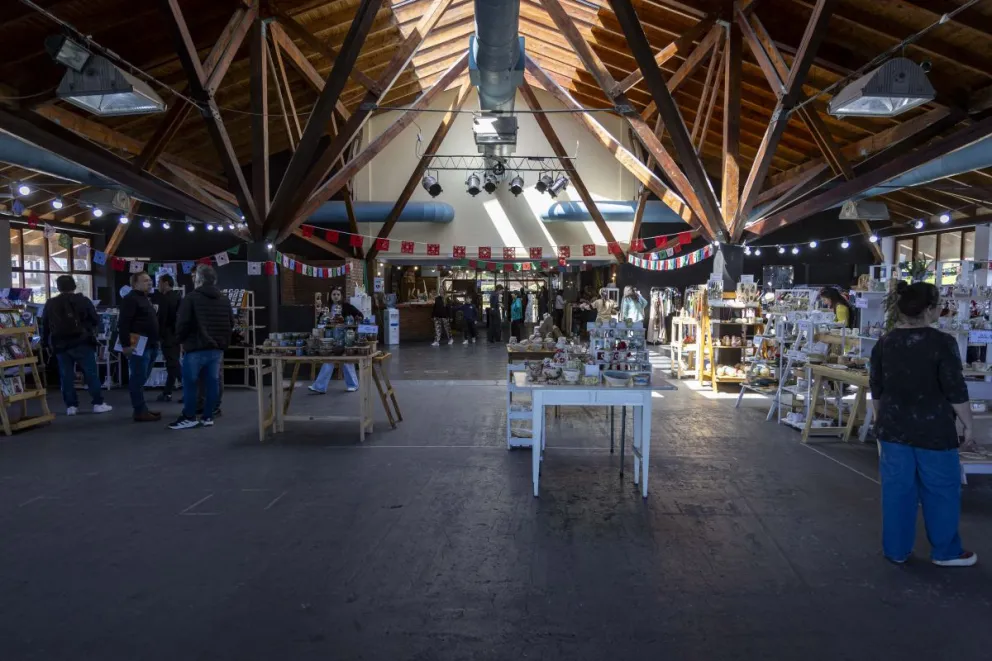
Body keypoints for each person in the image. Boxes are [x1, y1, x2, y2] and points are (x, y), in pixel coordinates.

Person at [870, 281, 978, 567]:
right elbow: (955, 389)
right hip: (935, 430)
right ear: (930, 309)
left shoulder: (885, 342)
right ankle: (946, 552)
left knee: (896, 492)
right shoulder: (942, 342)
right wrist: (968, 425)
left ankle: (896, 550)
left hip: (893, 428)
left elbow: (876, 388)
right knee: (941, 491)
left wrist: (881, 420)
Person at [168, 264, 233, 430]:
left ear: (198, 280)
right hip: (217, 348)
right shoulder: (224, 299)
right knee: (212, 383)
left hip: (195, 347)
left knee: (190, 384)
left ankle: (189, 416)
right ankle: (208, 416)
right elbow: (230, 323)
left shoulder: (191, 298)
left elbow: (183, 323)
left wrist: (179, 341)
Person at [42, 275, 112, 416]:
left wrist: (45, 343)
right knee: (91, 373)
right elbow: (95, 319)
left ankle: (71, 406)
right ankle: (98, 403)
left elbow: (45, 325)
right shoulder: (83, 300)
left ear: (58, 287)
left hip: (61, 345)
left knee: (66, 376)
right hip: (82, 342)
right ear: (74, 286)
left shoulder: (50, 303)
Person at [118, 271, 161, 422]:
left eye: (149, 280)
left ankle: (142, 408)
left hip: (151, 344)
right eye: (145, 281)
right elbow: (123, 323)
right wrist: (125, 345)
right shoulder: (130, 299)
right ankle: (139, 411)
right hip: (139, 345)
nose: (149, 283)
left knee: (142, 378)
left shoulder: (145, 298)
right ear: (135, 284)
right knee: (138, 378)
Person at [308, 289, 363, 394]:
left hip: (344, 337)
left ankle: (353, 385)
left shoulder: (346, 306)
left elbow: (359, 314)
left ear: (341, 296)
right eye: (334, 294)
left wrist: (353, 325)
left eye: (338, 294)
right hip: (330, 338)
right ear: (330, 296)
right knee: (329, 359)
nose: (336, 296)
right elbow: (320, 321)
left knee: (346, 360)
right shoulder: (327, 307)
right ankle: (319, 386)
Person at [151, 274, 182, 402]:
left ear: (165, 283)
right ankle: (167, 392)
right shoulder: (178, 297)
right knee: (172, 365)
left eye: (159, 282)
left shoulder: (164, 299)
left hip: (167, 336)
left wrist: (158, 335)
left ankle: (190, 391)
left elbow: (162, 319)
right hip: (176, 335)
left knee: (173, 365)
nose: (157, 285)